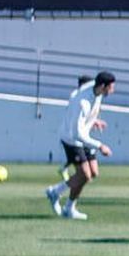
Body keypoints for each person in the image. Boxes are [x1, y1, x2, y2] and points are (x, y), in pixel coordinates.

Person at [45, 71, 115, 221]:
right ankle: (55, 192)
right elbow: (77, 134)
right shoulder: (83, 102)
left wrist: (94, 120)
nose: (113, 90)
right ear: (103, 86)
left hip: (84, 136)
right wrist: (100, 146)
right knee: (84, 175)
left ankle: (69, 208)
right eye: (111, 87)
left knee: (93, 173)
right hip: (72, 139)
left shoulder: (96, 89)